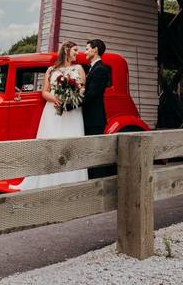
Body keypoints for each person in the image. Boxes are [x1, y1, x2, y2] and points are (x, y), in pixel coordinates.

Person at [15, 40, 88, 190]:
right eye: (75, 50)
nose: (77, 53)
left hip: (72, 112)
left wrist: (70, 98)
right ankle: (48, 181)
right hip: (53, 111)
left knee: (71, 144)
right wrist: (55, 99)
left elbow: (82, 89)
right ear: (67, 50)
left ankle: (72, 183)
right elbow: (45, 92)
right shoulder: (51, 70)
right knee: (51, 143)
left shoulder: (79, 68)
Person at [82, 38, 114, 179]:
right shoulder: (92, 68)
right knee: (88, 153)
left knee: (95, 154)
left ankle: (99, 185)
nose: (85, 51)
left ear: (95, 50)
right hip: (89, 118)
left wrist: (71, 104)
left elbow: (92, 94)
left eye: (87, 48)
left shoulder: (101, 69)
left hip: (94, 119)